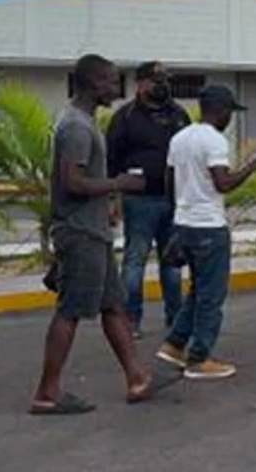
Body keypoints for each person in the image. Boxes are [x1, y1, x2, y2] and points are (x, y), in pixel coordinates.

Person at [31, 54, 157, 415]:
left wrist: (110, 200)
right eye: (110, 80)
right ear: (92, 82)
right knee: (70, 310)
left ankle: (137, 377)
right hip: (81, 232)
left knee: (113, 306)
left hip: (94, 232)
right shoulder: (76, 127)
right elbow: (73, 183)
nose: (116, 88)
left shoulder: (83, 121)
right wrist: (119, 183)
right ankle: (47, 393)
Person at [155, 85, 256, 380]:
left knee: (198, 290)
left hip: (184, 224)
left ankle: (175, 343)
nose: (230, 118)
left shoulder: (179, 138)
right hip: (209, 227)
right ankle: (200, 358)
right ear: (219, 110)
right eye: (230, 112)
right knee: (211, 296)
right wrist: (254, 165)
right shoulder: (214, 141)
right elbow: (224, 184)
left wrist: (178, 218)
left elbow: (169, 183)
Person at [107, 60, 191, 338]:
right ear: (141, 83)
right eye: (156, 81)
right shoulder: (125, 117)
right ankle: (131, 320)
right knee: (134, 261)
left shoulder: (178, 115)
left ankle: (175, 319)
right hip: (139, 201)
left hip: (173, 200)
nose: (162, 86)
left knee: (173, 262)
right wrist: (113, 199)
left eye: (165, 80)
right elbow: (112, 161)